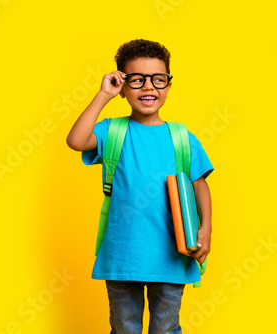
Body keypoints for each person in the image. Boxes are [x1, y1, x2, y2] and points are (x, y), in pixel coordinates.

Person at [66, 39, 213, 334]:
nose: (149, 87)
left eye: (158, 80)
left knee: (165, 329)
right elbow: (76, 141)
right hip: (123, 256)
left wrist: (206, 229)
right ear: (122, 85)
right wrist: (103, 95)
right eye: (137, 80)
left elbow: (199, 185)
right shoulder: (113, 131)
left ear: (169, 85)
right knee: (124, 329)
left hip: (172, 256)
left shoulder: (181, 137)